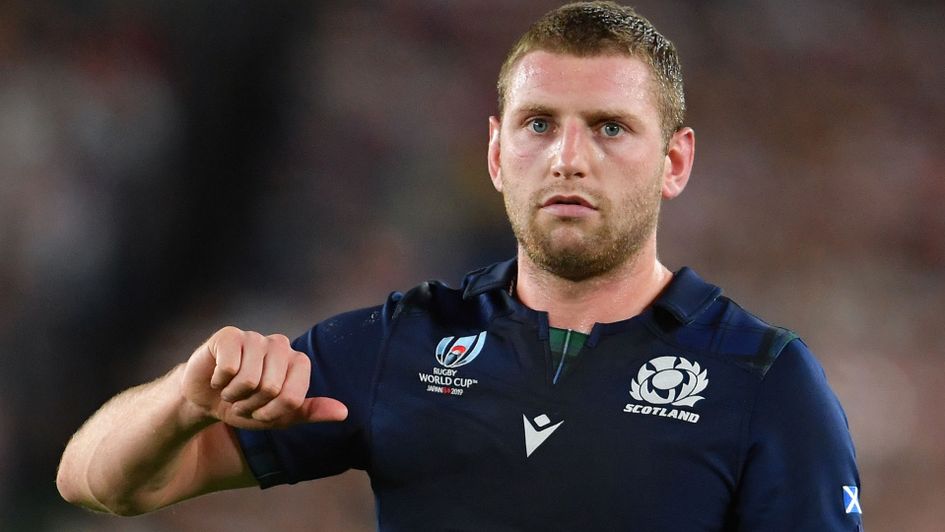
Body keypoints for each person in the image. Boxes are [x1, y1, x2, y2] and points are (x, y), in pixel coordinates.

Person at [56, 2, 863, 530]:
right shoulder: (403, 342)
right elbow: (95, 480)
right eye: (538, 123)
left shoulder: (761, 380)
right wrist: (183, 399)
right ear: (495, 152)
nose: (568, 157)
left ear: (674, 162)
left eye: (609, 128)